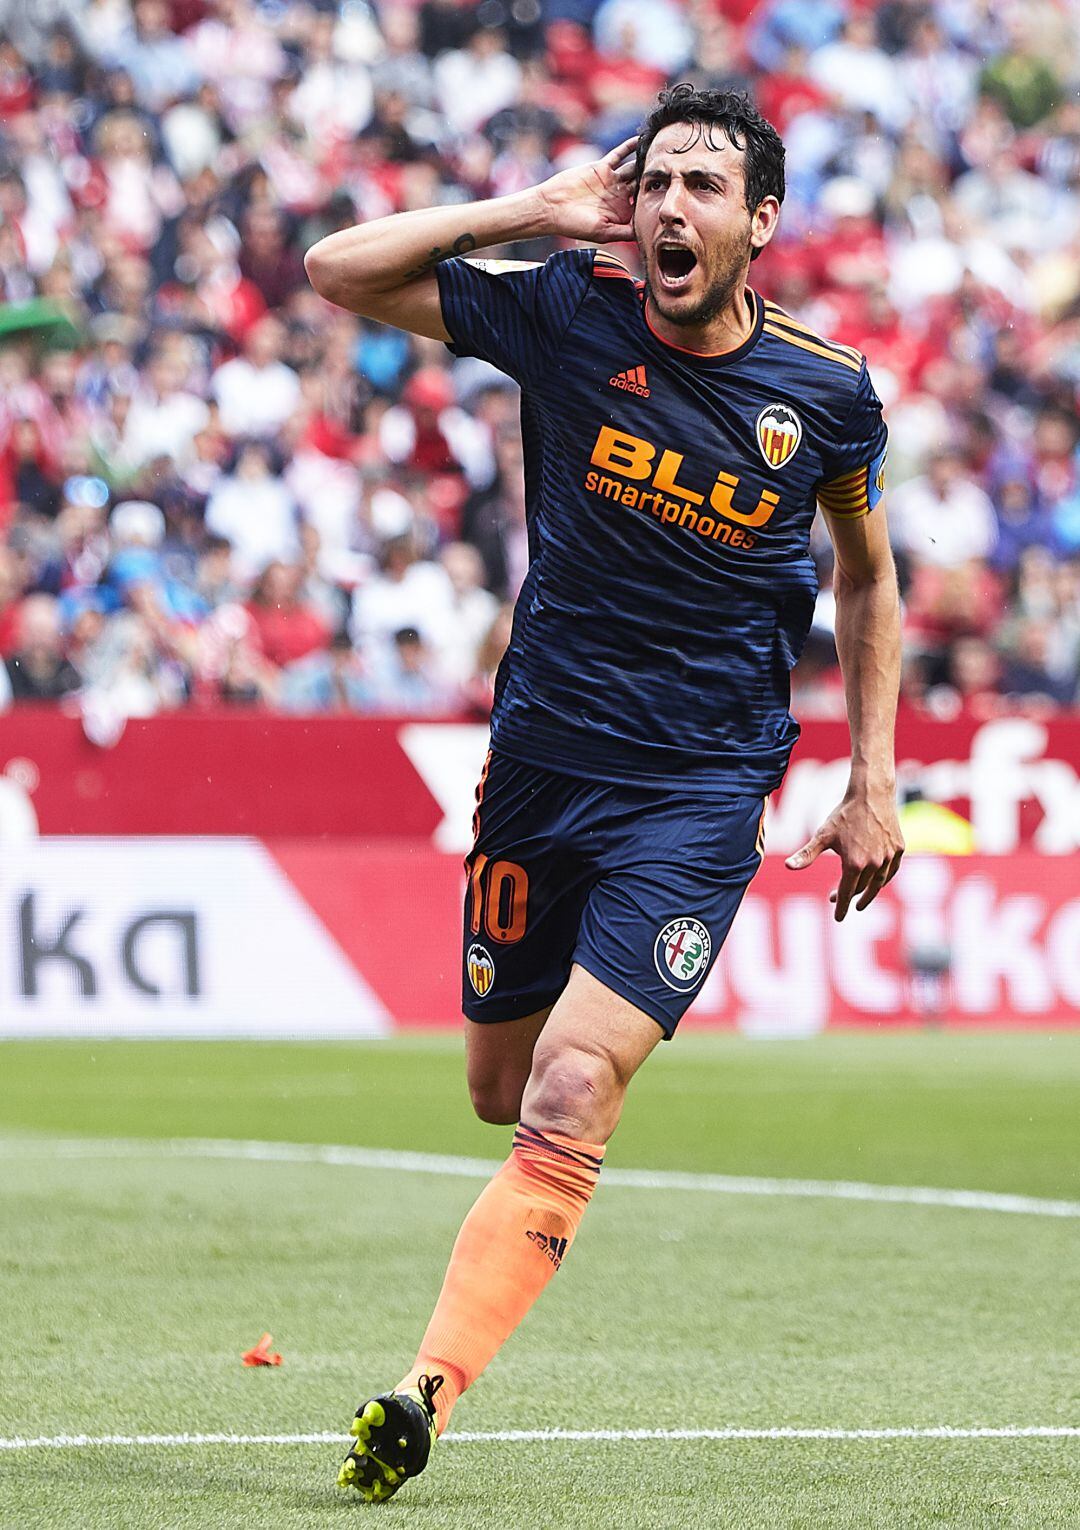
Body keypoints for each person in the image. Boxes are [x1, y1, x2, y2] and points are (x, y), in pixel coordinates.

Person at [306, 83, 904, 1502]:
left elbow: (871, 577)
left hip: (701, 793)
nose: (671, 210)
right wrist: (532, 210)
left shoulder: (826, 393)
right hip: (540, 771)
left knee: (571, 1087)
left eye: (704, 187)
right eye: (657, 186)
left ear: (762, 223)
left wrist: (874, 774)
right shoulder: (567, 310)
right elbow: (341, 269)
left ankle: (420, 1393)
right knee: (497, 1087)